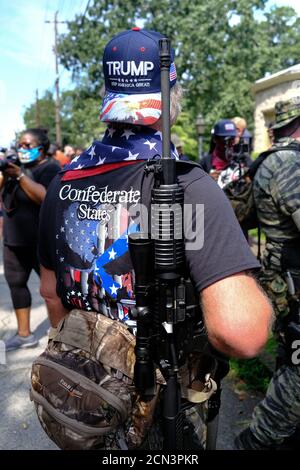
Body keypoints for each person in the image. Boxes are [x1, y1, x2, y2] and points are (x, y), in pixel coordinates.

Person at [39, 28, 272, 378]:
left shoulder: (62, 184)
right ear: (172, 97)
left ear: (108, 96)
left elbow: (50, 293)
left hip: (86, 394)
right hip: (165, 402)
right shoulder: (188, 186)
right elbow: (241, 334)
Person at [235, 97, 300, 450]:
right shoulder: (289, 163)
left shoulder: (274, 160)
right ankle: (258, 440)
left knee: (290, 356)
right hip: (292, 278)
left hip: (285, 277)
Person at [0, 128, 60, 351]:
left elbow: (44, 196)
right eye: (20, 145)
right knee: (16, 285)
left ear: (41, 148)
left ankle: (60, 340)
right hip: (13, 241)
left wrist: (20, 176)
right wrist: (7, 173)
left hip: (40, 240)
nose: (23, 149)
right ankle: (24, 335)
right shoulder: (16, 168)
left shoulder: (50, 168)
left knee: (52, 292)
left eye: (27, 145)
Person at [199, 119, 252, 189]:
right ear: (215, 139)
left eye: (232, 138)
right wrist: (206, 180)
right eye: (226, 139)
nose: (230, 143)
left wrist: (248, 178)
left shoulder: (243, 160)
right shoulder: (205, 163)